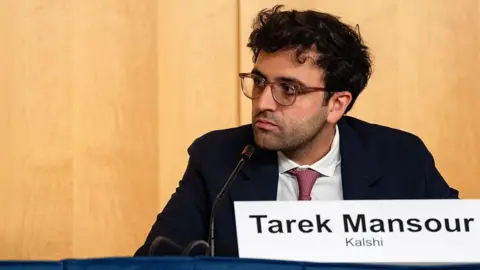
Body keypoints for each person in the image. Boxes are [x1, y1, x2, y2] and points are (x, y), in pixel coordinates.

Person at [134, 5, 458, 257]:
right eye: (259, 81)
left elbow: (461, 251)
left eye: (288, 89)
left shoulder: (402, 159)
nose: (263, 102)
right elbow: (156, 259)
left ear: (336, 105)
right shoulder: (219, 158)